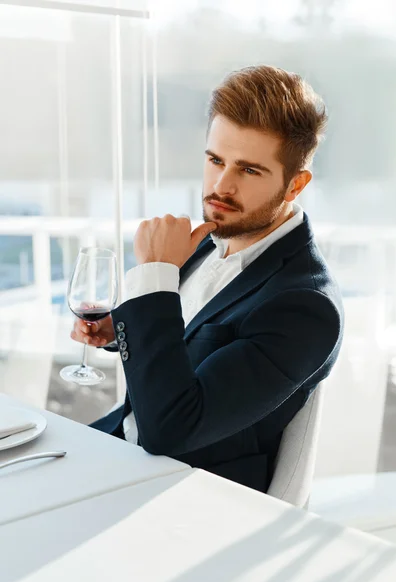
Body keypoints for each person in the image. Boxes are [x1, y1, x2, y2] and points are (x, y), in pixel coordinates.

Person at [71, 65, 344, 493]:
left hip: (184, 493)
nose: (220, 186)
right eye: (215, 160)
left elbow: (170, 430)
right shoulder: (213, 238)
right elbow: (190, 338)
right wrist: (119, 330)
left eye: (249, 170)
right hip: (115, 451)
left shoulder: (306, 307)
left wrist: (155, 275)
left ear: (295, 185)